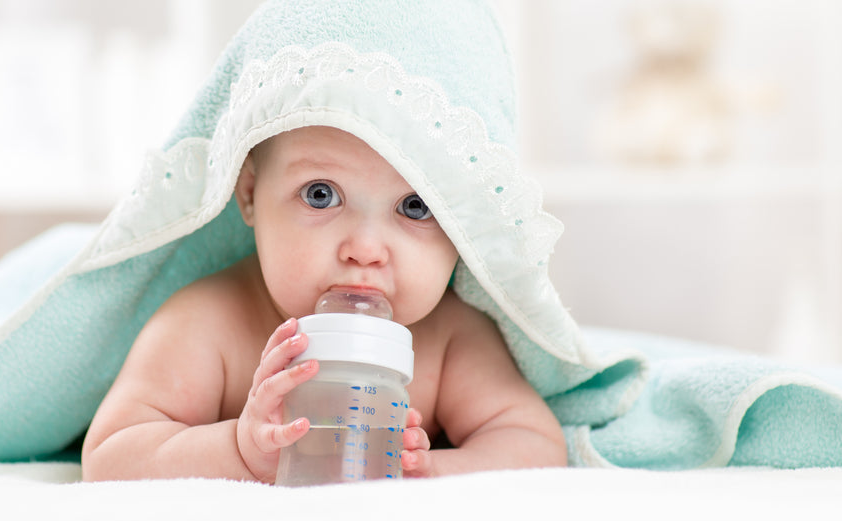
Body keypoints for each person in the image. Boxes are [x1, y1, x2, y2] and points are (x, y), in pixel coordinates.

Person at [81, 125, 567, 482]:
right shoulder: (210, 322)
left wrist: (434, 469)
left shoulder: (452, 337)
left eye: (415, 206)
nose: (365, 248)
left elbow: (535, 443)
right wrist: (237, 449)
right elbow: (110, 454)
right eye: (320, 195)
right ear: (249, 194)